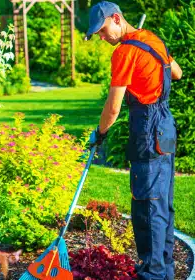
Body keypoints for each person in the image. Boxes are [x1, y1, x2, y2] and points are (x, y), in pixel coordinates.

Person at [85, 1, 182, 279]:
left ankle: (153, 274)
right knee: (161, 202)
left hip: (147, 131)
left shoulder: (125, 52)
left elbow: (113, 108)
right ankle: (162, 269)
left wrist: (100, 133)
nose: (102, 39)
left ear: (117, 19)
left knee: (147, 204)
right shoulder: (151, 39)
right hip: (165, 126)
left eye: (103, 31)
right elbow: (176, 73)